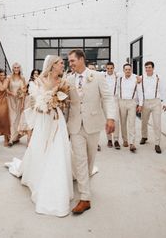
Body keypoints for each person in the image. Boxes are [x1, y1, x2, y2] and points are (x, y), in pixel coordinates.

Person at [5, 55, 73, 217]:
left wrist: (58, 103)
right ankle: (39, 175)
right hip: (44, 119)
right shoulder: (39, 81)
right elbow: (34, 102)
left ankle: (58, 181)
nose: (63, 65)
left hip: (57, 120)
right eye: (61, 63)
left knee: (57, 148)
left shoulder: (63, 82)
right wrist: (44, 105)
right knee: (42, 146)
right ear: (52, 65)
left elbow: (65, 101)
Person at [67, 49, 115, 215]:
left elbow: (108, 97)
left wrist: (111, 118)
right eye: (69, 61)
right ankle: (85, 198)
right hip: (75, 126)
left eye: (72, 60)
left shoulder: (97, 76)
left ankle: (85, 181)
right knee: (80, 159)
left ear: (81, 59)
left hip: (93, 124)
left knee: (90, 159)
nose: (70, 63)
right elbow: (66, 103)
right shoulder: (68, 79)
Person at [139, 61, 166, 154]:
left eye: (149, 67)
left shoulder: (158, 78)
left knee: (157, 123)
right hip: (145, 102)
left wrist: (165, 102)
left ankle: (157, 143)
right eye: (146, 67)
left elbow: (163, 90)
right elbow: (139, 92)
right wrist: (140, 104)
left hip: (156, 102)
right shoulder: (141, 78)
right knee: (144, 121)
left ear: (153, 68)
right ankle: (144, 136)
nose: (147, 69)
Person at [118, 63, 143, 152]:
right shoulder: (119, 78)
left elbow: (140, 92)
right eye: (126, 69)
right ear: (123, 70)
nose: (128, 71)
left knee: (132, 123)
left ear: (131, 70)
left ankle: (132, 143)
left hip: (132, 103)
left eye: (129, 69)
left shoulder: (136, 78)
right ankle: (125, 140)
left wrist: (140, 104)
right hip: (121, 102)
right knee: (123, 122)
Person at [7, 63, 27, 147]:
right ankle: (11, 139)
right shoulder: (9, 77)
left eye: (17, 67)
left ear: (19, 68)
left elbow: (24, 91)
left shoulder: (22, 78)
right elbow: (6, 89)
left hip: (19, 101)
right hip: (11, 100)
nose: (16, 69)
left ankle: (15, 137)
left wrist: (22, 103)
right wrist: (12, 93)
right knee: (12, 119)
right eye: (14, 67)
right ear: (12, 68)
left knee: (17, 120)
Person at [102, 62, 121, 149]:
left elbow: (130, 74)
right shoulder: (102, 76)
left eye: (111, 68)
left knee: (116, 120)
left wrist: (138, 78)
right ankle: (109, 139)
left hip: (115, 100)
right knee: (107, 120)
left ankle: (116, 140)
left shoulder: (118, 76)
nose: (109, 70)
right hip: (105, 101)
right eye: (108, 68)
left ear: (114, 68)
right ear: (106, 68)